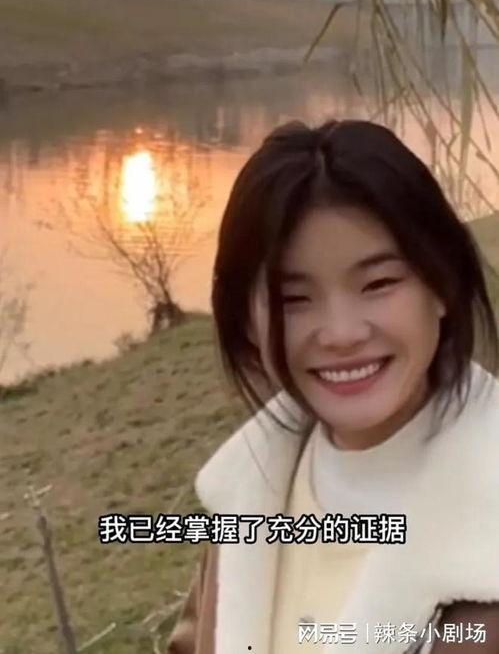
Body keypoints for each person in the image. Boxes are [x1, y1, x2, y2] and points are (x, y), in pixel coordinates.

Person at [167, 118, 499, 653]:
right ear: (246, 320)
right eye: (293, 299)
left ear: (443, 285)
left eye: (379, 283)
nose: (341, 334)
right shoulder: (245, 501)